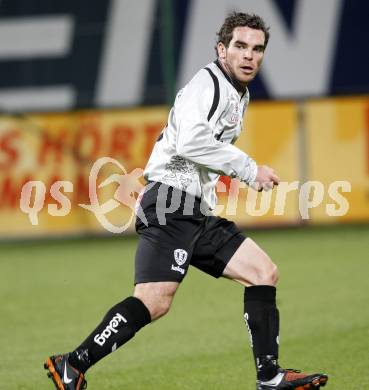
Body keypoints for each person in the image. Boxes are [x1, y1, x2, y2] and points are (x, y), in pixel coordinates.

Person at [44, 12, 328, 390]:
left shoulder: (237, 93)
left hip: (195, 209)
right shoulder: (207, 83)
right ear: (221, 49)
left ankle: (270, 376)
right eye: (240, 46)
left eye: (257, 49)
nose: (249, 56)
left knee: (263, 272)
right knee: (154, 300)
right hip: (171, 203)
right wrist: (248, 169)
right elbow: (190, 141)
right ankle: (72, 363)